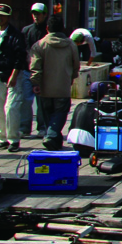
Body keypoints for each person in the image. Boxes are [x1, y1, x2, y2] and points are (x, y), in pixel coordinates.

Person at [28, 14, 80, 149]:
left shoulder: (39, 45)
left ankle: (50, 136)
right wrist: (72, 77)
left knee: (47, 114)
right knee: (60, 113)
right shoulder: (70, 45)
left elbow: (35, 67)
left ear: (47, 28)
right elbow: (76, 65)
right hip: (63, 87)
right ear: (63, 28)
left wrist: (36, 82)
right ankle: (53, 137)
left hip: (45, 88)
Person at [0, 3, 28, 152]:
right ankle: (2, 137)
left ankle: (13, 139)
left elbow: (20, 56)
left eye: (2, 16)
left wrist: (14, 74)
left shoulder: (16, 35)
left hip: (12, 74)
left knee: (11, 107)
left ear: (8, 17)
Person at [20, 2, 49, 140]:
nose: (36, 16)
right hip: (27, 70)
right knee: (25, 99)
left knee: (42, 101)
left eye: (38, 13)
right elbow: (22, 48)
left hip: (44, 72)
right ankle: (24, 127)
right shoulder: (26, 30)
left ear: (45, 14)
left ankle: (42, 127)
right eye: (34, 14)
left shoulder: (48, 31)